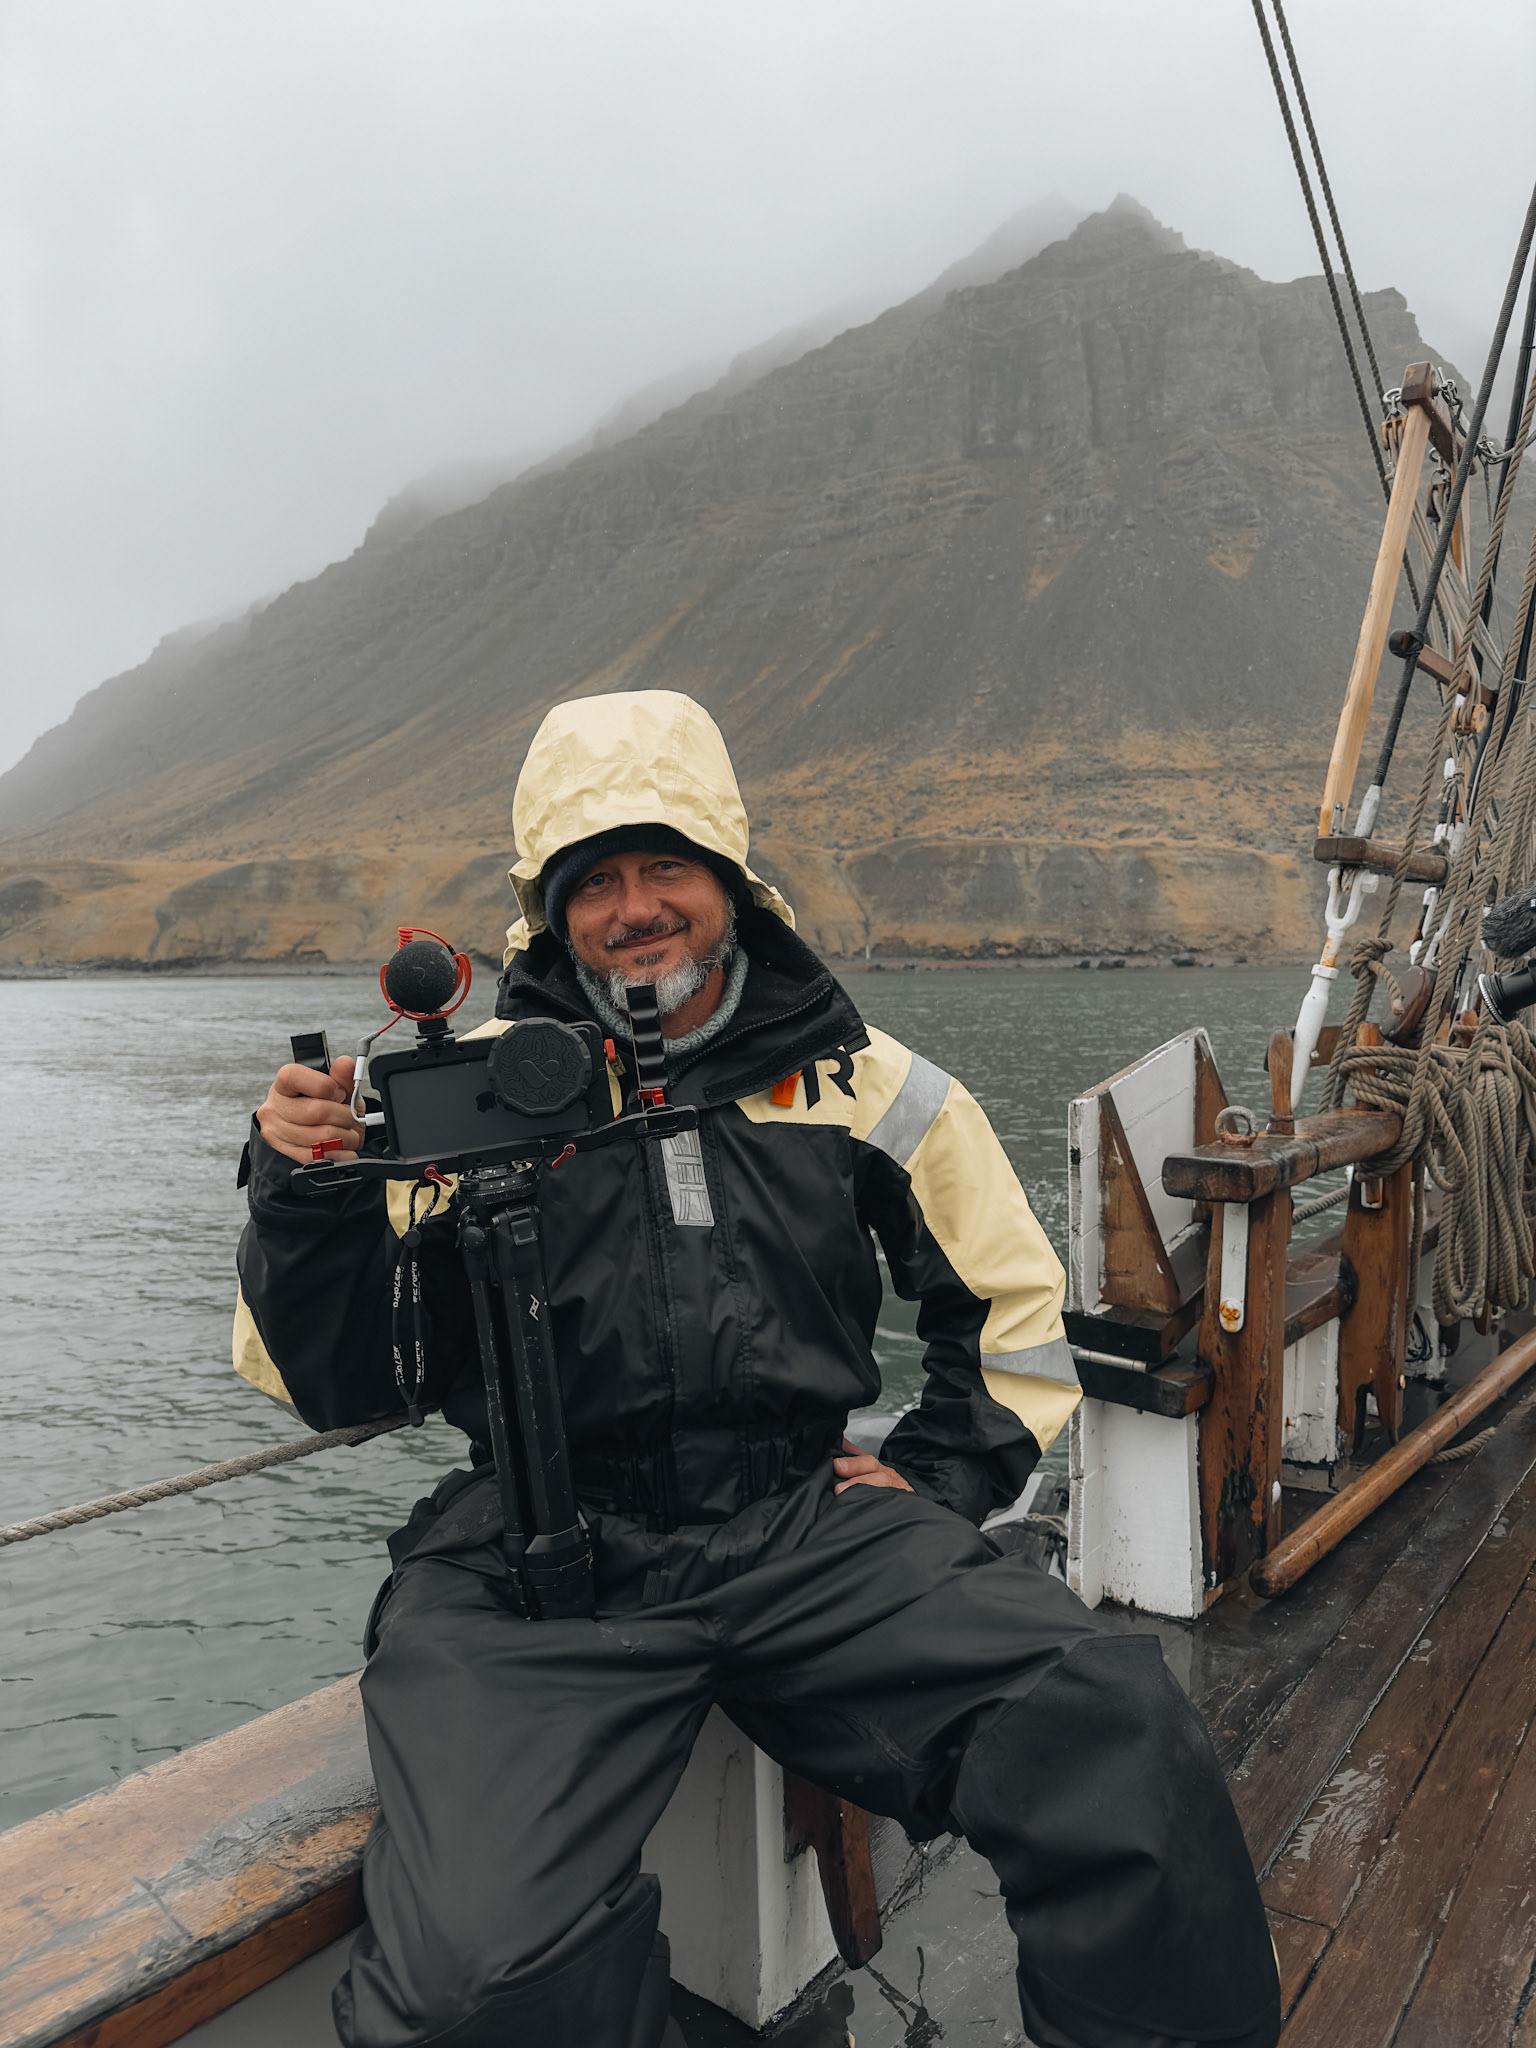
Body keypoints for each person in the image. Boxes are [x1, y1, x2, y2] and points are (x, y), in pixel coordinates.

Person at [234, 689, 1280, 2048]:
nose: (635, 909)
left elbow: (1010, 1306)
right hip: (538, 1558)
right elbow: (330, 1382)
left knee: (1117, 1729)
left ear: (729, 878)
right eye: (593, 882)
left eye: (664, 866)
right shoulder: (450, 1100)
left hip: (803, 1523)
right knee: (470, 1988)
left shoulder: (863, 1079)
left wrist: (938, 1478)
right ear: (549, 913)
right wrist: (299, 1197)